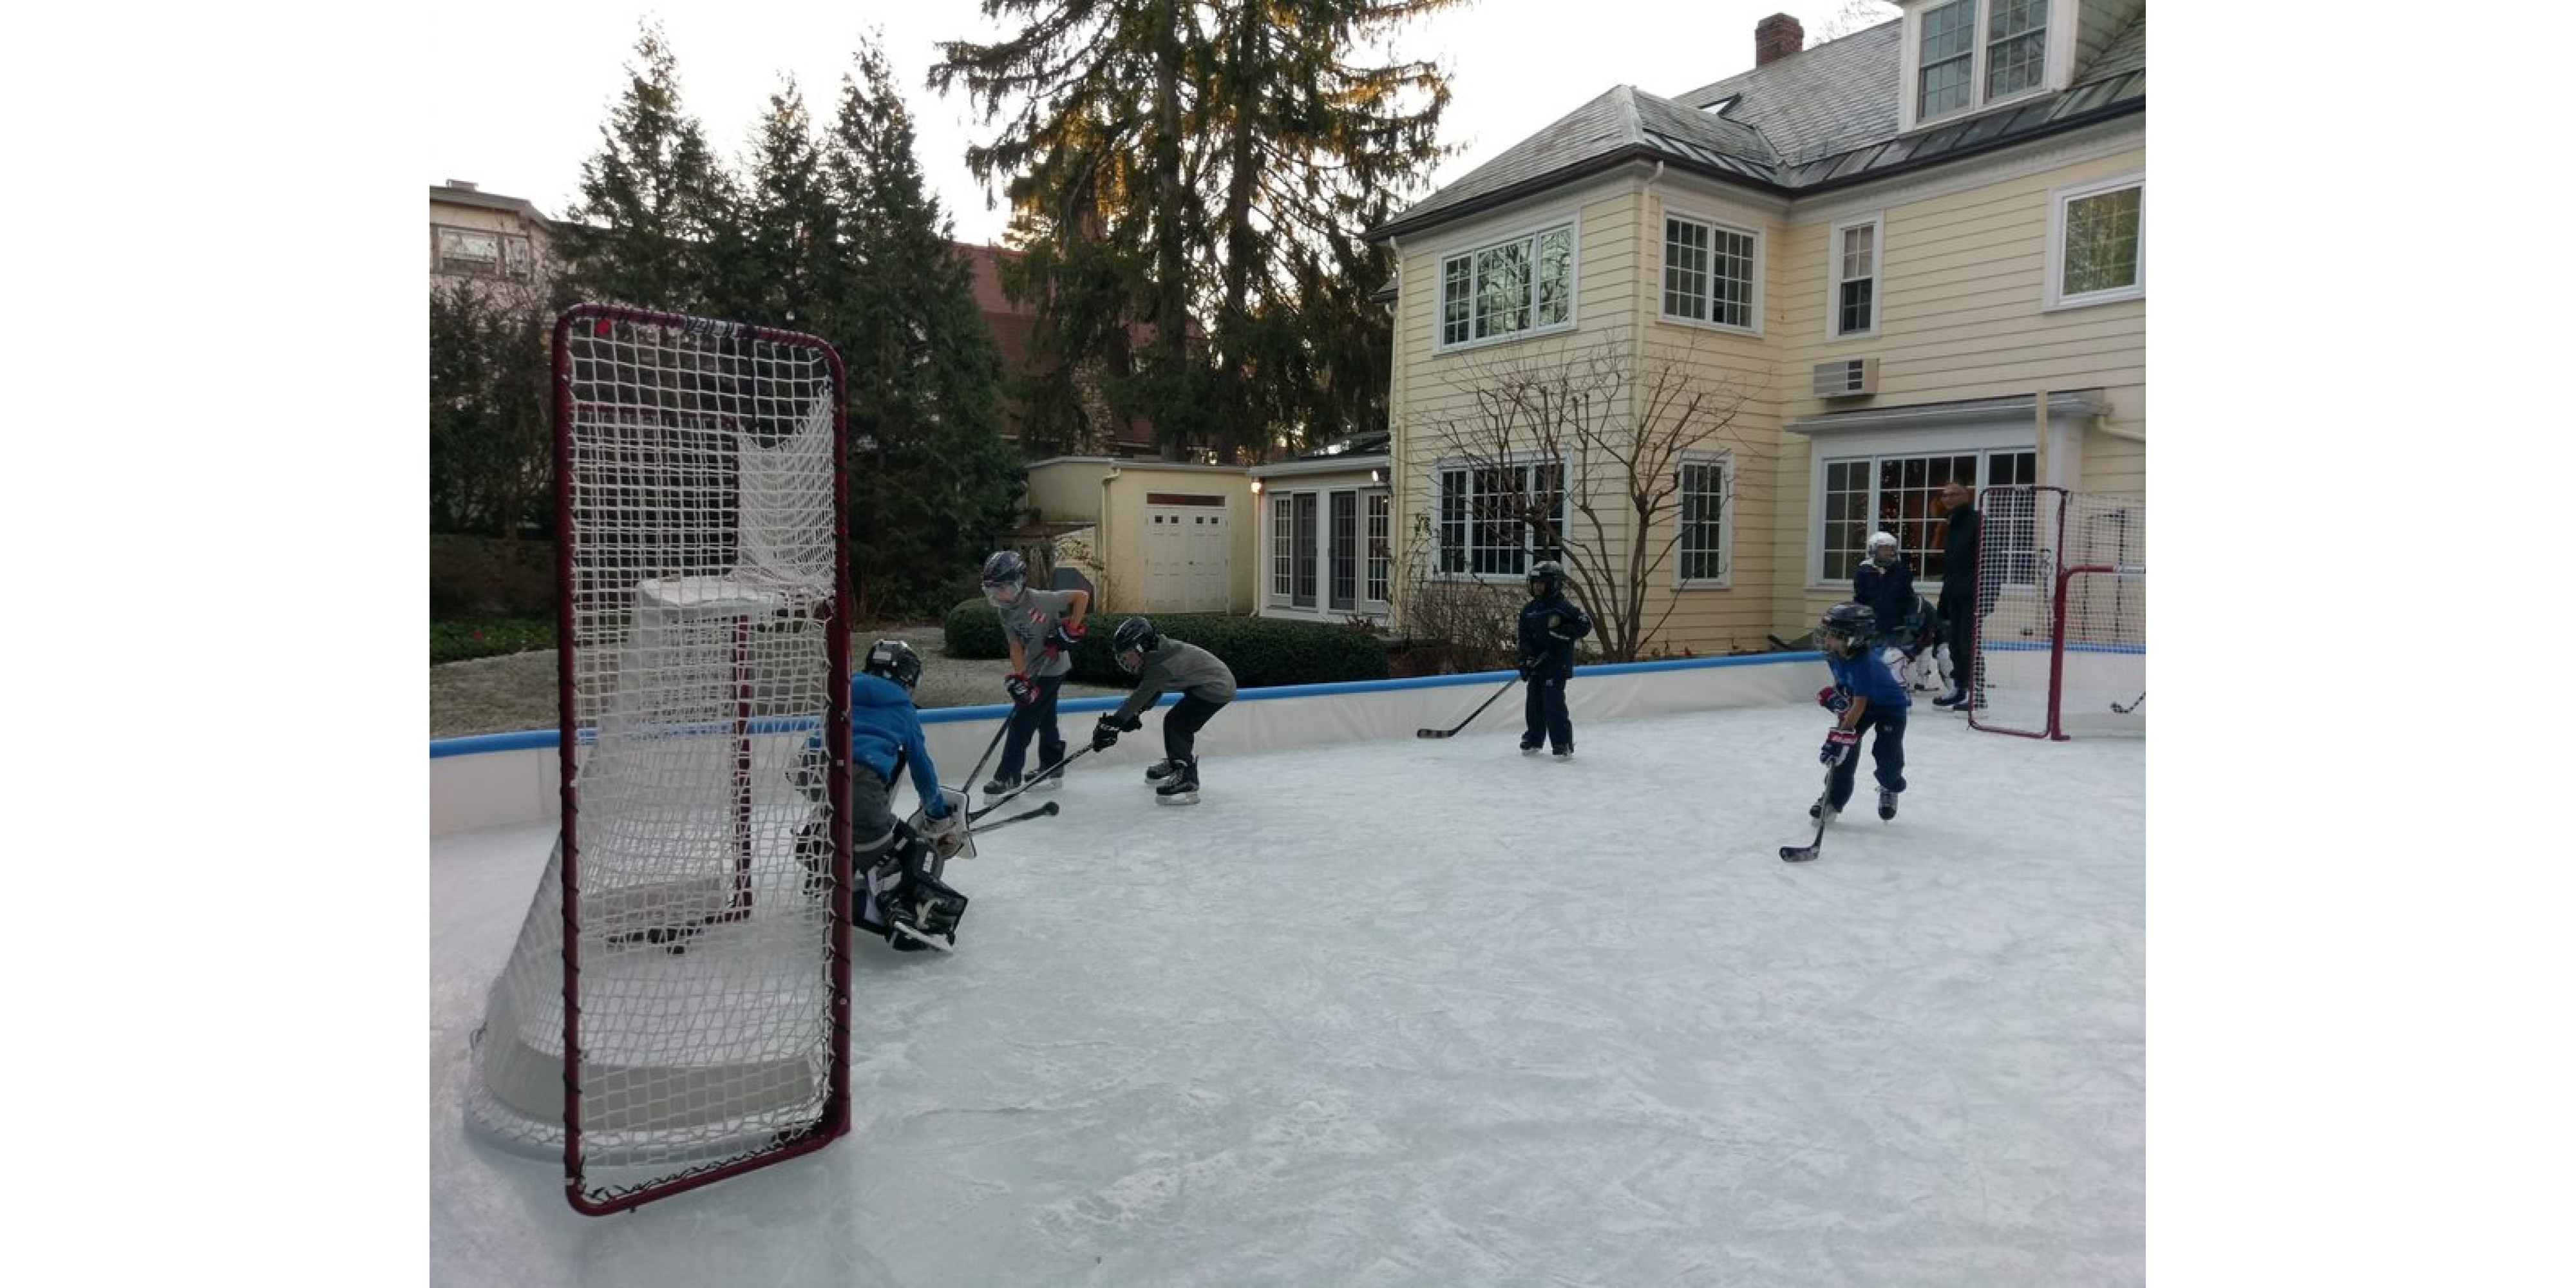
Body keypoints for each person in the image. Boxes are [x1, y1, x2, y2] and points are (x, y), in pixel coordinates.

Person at [792, 638, 970, 952]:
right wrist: (938, 815)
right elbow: (922, 770)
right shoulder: (902, 708)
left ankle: (823, 862)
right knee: (904, 849)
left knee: (841, 824)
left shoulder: (842, 691)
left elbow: (813, 750)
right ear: (908, 677)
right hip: (860, 787)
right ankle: (893, 906)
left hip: (817, 776)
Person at [1088, 616, 1239, 806]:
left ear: (1142, 647)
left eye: (1128, 655)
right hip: (1207, 684)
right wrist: (1134, 714)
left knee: (1178, 723)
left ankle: (1187, 777)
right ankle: (1176, 761)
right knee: (1175, 721)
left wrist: (1115, 722)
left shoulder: (1160, 664)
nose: (1125, 660)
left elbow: (1143, 692)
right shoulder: (1157, 654)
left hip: (1216, 688)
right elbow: (1155, 690)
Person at [980, 549, 1089, 797]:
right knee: (1045, 717)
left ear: (1018, 582)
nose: (997, 593)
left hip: (1054, 667)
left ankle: (1008, 776)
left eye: (1002, 587)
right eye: (993, 589)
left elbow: (1081, 597)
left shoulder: (1039, 600)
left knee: (1022, 721)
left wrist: (1070, 629)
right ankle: (1052, 765)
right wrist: (1021, 677)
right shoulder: (1005, 611)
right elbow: (1015, 646)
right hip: (1035, 667)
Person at [1809, 601, 1909, 826]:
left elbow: (1859, 707)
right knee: (1844, 754)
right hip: (1860, 703)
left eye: (1833, 635)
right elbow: (1846, 687)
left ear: (1854, 638)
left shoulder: (1866, 665)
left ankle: (1889, 785)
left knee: (1887, 755)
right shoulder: (1835, 655)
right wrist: (1837, 700)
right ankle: (1832, 800)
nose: (1827, 640)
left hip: (1889, 708)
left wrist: (1839, 737)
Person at [1516, 560, 1594, 760]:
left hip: (1557, 665)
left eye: (1543, 583)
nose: (1538, 587)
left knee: (1553, 703)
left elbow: (1585, 624)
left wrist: (1565, 633)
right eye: (1535, 584)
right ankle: (1534, 738)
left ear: (1554, 584)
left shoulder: (1563, 608)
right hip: (1538, 666)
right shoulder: (1529, 611)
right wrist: (1526, 660)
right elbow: (1524, 638)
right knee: (1533, 703)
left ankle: (1562, 743)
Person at [1933, 480, 1982, 710]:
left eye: (1952, 494)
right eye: (1944, 495)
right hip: (1954, 594)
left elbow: (1991, 561)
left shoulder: (1977, 522)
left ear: (1965, 496)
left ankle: (1976, 692)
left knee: (1968, 644)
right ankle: (1960, 688)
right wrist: (1945, 598)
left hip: (1973, 594)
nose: (1947, 499)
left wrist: (1984, 594)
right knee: (1954, 644)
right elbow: (1952, 566)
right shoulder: (1951, 524)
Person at [1852, 531, 1916, 674]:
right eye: (1884, 549)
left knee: (1893, 660)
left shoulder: (1901, 570)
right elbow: (1860, 598)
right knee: (1872, 659)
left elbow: (1909, 596)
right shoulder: (1864, 571)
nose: (1889, 552)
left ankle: (1896, 686)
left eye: (1891, 549)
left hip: (1895, 625)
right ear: (1873, 550)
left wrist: (1911, 619)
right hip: (1872, 625)